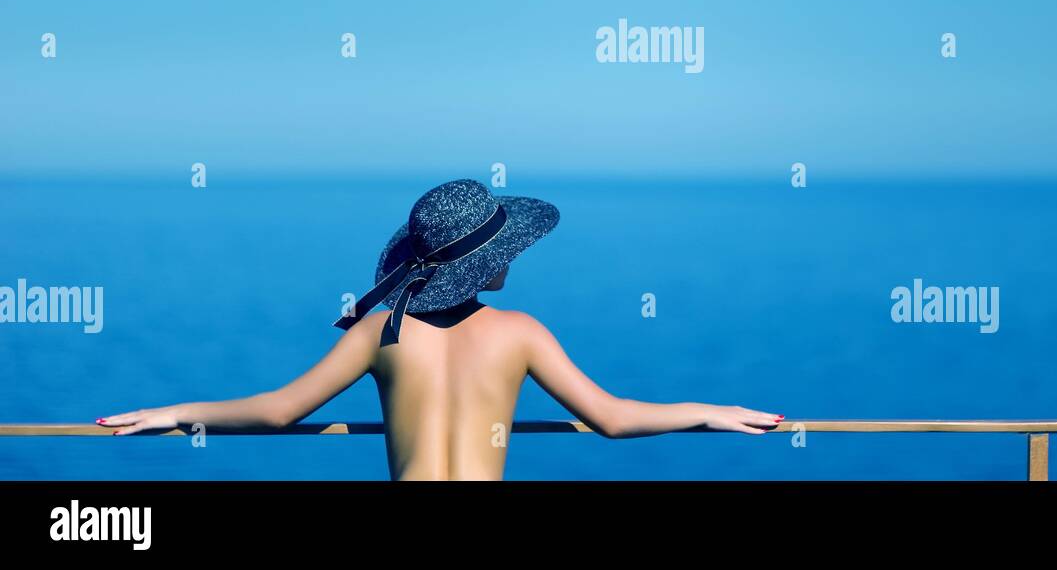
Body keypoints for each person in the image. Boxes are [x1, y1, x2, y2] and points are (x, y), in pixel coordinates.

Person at [98, 179, 783, 479]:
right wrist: (709, 411)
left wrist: (175, 411)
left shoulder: (381, 335)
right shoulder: (521, 335)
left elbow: (279, 412)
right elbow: (613, 418)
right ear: (487, 265)